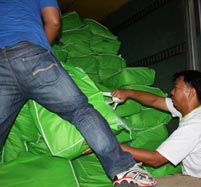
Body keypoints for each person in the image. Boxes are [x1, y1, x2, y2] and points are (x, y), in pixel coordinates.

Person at [0, 1, 156, 187]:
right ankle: (123, 170)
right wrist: (40, 48)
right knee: (80, 112)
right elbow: (54, 21)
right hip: (33, 54)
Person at [112, 70, 201, 187]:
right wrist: (128, 93)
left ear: (190, 92)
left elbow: (155, 160)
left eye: (176, 87)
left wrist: (112, 145)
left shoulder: (196, 125)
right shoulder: (194, 109)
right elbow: (155, 101)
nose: (171, 92)